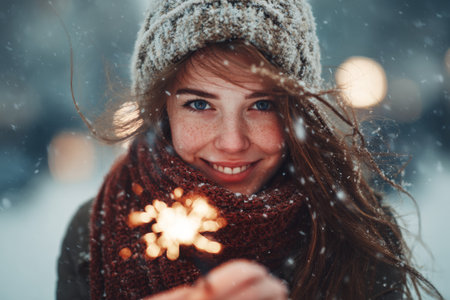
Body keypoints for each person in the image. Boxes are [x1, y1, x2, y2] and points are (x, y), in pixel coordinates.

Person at [57, 0, 443, 299]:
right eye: (199, 104)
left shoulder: (356, 229)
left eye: (262, 105)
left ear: (296, 113)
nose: (232, 141)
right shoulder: (97, 230)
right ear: (165, 112)